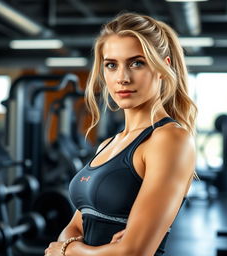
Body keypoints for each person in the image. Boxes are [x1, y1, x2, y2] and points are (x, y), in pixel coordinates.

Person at [44, 12, 197, 256]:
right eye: (111, 65)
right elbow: (75, 225)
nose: (122, 78)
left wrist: (68, 251)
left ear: (162, 67)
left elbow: (134, 251)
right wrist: (79, 246)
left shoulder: (169, 139)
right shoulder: (107, 145)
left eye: (137, 62)